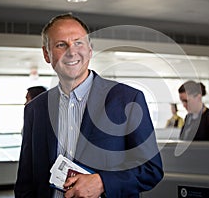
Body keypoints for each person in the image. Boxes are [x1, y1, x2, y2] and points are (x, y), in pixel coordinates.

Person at [14, 13, 163, 198]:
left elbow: (151, 169)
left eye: (78, 43)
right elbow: (25, 181)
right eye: (61, 44)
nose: (71, 51)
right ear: (46, 54)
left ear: (90, 49)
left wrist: (102, 183)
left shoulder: (128, 99)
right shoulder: (34, 109)